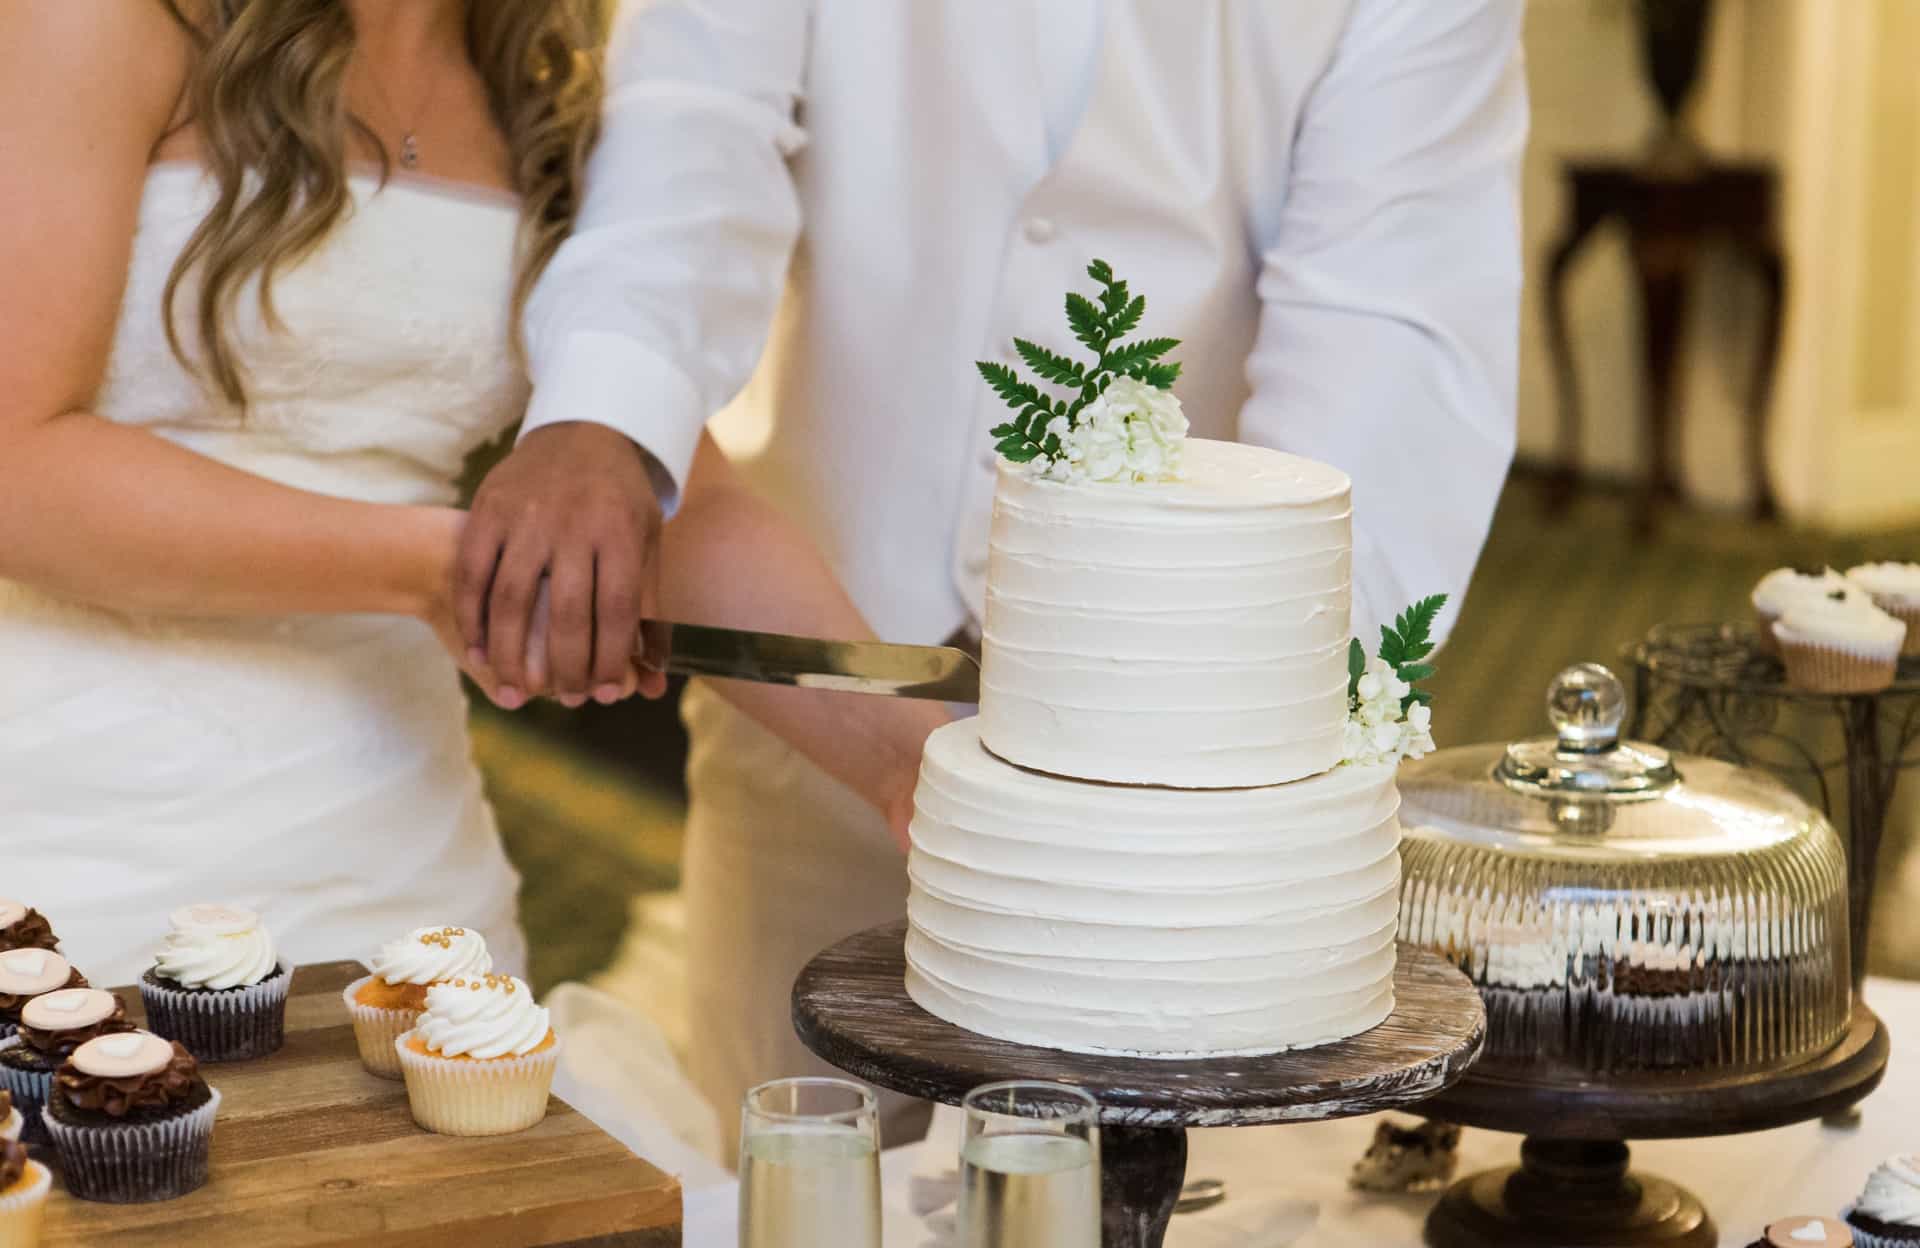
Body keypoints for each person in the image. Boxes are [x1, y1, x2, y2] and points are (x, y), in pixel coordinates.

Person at [460, 0, 1528, 1130]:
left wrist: (1232, 767)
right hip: (822, 683)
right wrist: (606, 416)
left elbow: (1393, 335)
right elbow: (696, 118)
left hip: (1174, 816)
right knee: (791, 1209)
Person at [0, 0, 938, 984]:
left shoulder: (557, 91)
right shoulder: (108, 16)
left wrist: (910, 761)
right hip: (69, 850)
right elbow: (16, 464)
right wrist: (438, 569)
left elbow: (671, 503)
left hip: (400, 878)